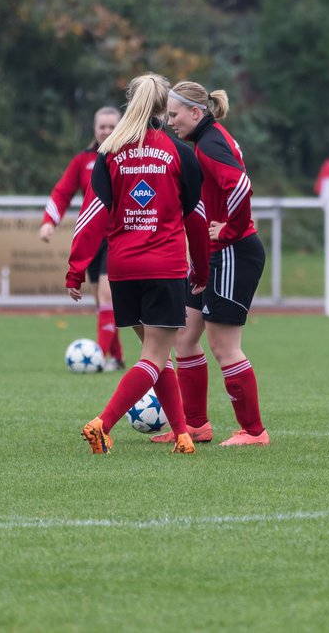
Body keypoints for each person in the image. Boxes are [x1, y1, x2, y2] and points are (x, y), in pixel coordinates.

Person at [68, 73, 210, 456]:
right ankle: (102, 423)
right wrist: (201, 267)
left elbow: (92, 213)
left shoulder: (110, 151)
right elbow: (196, 217)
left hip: (123, 269)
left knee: (156, 357)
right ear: (164, 108)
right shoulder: (180, 153)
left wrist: (76, 266)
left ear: (130, 103)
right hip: (163, 267)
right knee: (154, 356)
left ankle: (181, 434)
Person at [159, 80, 270, 447]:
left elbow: (240, 185)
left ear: (195, 112)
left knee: (224, 345)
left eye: (174, 115)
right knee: (184, 337)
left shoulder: (209, 144)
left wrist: (228, 231)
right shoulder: (209, 139)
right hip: (216, 252)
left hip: (235, 251)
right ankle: (195, 425)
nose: (170, 122)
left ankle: (254, 431)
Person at [40, 106, 127, 370]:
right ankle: (117, 357)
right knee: (101, 301)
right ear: (94, 129)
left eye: (113, 126)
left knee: (106, 294)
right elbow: (62, 192)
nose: (107, 131)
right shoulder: (84, 161)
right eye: (103, 126)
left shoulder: (130, 156)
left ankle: (98, 356)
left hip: (119, 236)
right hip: (93, 239)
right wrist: (48, 223)